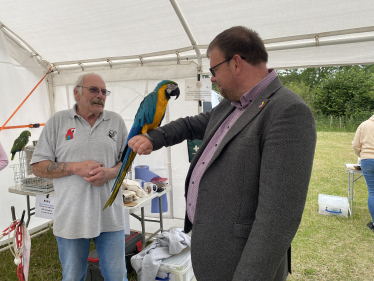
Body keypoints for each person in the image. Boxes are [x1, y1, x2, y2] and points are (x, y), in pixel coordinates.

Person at [129, 26, 317, 281]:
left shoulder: (287, 111)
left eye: (214, 70)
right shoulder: (232, 104)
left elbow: (277, 222)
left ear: (236, 63)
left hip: (239, 264)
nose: (213, 79)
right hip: (212, 255)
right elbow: (190, 124)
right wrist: (152, 137)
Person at [31, 73, 128, 281]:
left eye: (104, 92)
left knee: (117, 277)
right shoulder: (58, 122)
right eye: (94, 90)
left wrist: (110, 173)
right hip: (71, 217)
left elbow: (127, 163)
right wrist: (75, 167)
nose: (100, 96)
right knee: (73, 277)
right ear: (76, 93)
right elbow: (38, 167)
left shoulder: (116, 122)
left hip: (110, 216)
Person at [352, 114, 374, 232]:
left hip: (367, 160)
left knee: (372, 192)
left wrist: (362, 155)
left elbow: (356, 145)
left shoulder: (364, 125)